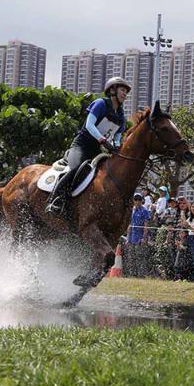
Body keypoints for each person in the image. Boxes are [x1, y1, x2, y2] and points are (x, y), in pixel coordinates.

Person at [46, 77, 130, 213]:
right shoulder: (100, 104)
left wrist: (116, 148)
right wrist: (102, 140)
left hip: (96, 150)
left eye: (126, 92)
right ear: (112, 90)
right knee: (75, 169)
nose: (125, 94)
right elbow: (89, 125)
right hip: (81, 145)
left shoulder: (121, 116)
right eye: (122, 90)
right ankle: (55, 200)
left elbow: (117, 138)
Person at [126, 193, 151, 277]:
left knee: (140, 256)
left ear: (142, 201)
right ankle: (132, 274)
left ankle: (141, 275)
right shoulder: (132, 210)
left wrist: (144, 238)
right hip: (131, 236)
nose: (137, 201)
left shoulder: (144, 211)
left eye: (139, 200)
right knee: (131, 256)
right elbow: (129, 225)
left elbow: (146, 225)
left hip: (140, 236)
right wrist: (127, 237)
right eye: (135, 199)